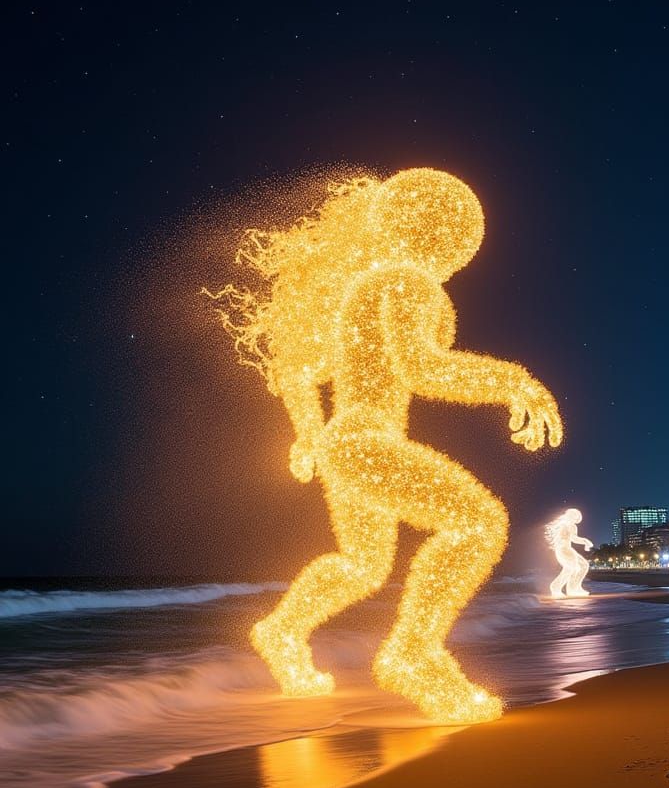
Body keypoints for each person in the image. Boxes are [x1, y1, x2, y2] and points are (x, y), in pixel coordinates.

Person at [210, 168, 563, 722]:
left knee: (363, 565)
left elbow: (299, 370)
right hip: (366, 443)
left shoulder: (364, 287)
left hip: (345, 443)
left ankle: (281, 630)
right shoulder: (406, 283)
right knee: (478, 523)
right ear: (452, 238)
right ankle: (412, 653)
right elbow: (422, 368)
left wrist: (309, 434)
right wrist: (513, 383)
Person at [546, 508, 593, 599]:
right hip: (562, 549)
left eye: (577, 519)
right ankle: (555, 587)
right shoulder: (563, 525)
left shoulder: (573, 526)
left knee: (584, 565)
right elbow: (567, 538)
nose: (576, 520)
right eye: (575, 517)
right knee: (570, 568)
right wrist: (585, 541)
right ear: (570, 516)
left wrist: (585, 542)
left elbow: (574, 538)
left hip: (568, 549)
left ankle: (574, 588)